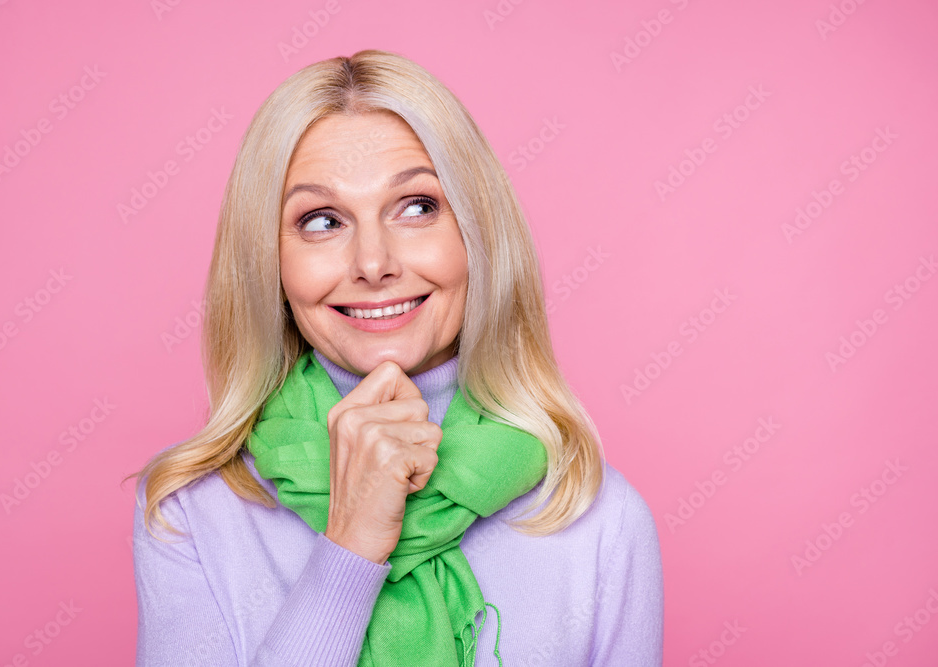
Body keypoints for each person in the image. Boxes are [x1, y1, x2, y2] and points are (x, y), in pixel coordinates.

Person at [130, 49, 663, 667]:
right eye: (322, 221)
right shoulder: (192, 513)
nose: (373, 263)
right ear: (268, 263)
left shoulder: (598, 520)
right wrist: (350, 549)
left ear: (477, 234)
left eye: (417, 207)